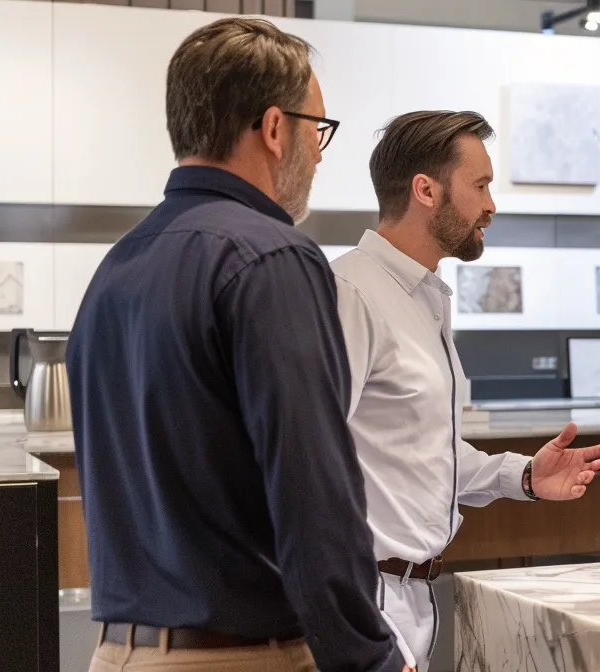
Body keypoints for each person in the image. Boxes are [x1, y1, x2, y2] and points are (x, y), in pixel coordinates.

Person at [68, 17, 407, 672]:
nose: (318, 152)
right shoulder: (271, 258)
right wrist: (373, 660)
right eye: (318, 130)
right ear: (276, 130)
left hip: (119, 654)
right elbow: (314, 495)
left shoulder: (116, 268)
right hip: (240, 656)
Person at [333, 110, 600, 668]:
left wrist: (524, 475)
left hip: (411, 597)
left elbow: (422, 451)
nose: (491, 205)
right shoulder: (350, 294)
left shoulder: (421, 297)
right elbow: (306, 467)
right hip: (365, 603)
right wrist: (365, 635)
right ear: (425, 190)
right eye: (480, 185)